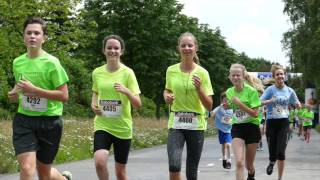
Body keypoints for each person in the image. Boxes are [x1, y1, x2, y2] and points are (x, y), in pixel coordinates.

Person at [7, 17, 71, 180]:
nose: (32, 36)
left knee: (44, 173)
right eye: (29, 33)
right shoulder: (17, 62)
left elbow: (64, 96)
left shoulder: (52, 63)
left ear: (44, 38)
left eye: (37, 33)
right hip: (24, 121)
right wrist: (13, 94)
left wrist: (35, 90)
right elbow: (20, 88)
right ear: (24, 37)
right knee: (27, 169)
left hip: (49, 122)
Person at [163, 32, 213, 180]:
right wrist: (166, 96)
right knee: (174, 165)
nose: (186, 48)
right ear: (178, 48)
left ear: (195, 48)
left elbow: (209, 105)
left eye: (190, 45)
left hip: (196, 125)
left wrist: (199, 89)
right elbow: (167, 90)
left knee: (191, 171)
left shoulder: (203, 73)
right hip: (176, 123)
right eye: (183, 45)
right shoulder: (171, 70)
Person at [91, 35, 142, 180]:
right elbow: (95, 92)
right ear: (104, 50)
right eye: (109, 48)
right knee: (100, 162)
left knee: (120, 173)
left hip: (122, 128)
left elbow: (138, 103)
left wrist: (126, 91)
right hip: (102, 124)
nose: (112, 51)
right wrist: (93, 105)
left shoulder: (128, 73)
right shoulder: (97, 72)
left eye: (116, 48)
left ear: (121, 51)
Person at [260, 64, 300, 180]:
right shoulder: (270, 89)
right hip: (272, 123)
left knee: (281, 153)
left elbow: (296, 103)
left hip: (284, 123)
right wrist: (269, 101)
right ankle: (272, 162)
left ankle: (280, 178)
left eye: (282, 74)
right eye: (277, 74)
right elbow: (259, 102)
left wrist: (297, 105)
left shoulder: (289, 90)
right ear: (274, 76)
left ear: (284, 76)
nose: (280, 76)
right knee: (273, 152)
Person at [226, 63, 263, 180]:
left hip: (252, 127)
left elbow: (255, 113)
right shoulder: (229, 92)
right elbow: (231, 107)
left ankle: (251, 174)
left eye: (238, 75)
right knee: (239, 163)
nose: (235, 78)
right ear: (230, 77)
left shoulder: (251, 91)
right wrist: (228, 106)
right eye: (233, 75)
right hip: (237, 127)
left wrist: (239, 104)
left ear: (243, 76)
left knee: (248, 165)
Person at [210, 91, 233, 169]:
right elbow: (212, 115)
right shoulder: (219, 108)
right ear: (222, 101)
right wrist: (219, 107)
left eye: (228, 100)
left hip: (229, 130)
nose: (226, 102)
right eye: (225, 100)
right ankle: (224, 158)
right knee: (224, 145)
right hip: (221, 129)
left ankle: (229, 161)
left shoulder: (232, 109)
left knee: (228, 144)